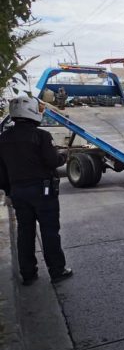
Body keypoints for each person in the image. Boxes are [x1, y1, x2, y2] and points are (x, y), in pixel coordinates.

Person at [0, 96, 72, 285]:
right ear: (31, 112)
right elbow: (51, 161)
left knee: (25, 232)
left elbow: (1, 171)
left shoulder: (3, 138)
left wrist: (9, 191)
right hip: (42, 191)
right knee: (49, 232)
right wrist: (63, 156)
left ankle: (28, 273)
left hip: (18, 192)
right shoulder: (41, 136)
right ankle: (57, 271)